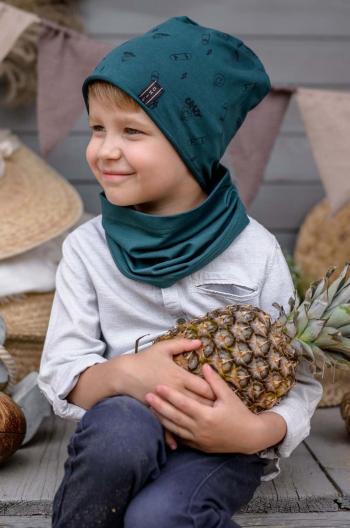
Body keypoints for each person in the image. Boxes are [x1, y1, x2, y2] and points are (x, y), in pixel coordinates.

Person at [38, 15, 323, 528]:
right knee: (119, 436)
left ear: (193, 143)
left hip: (223, 444)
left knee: (160, 516)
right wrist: (126, 373)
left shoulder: (254, 250)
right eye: (97, 128)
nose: (106, 149)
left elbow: (300, 379)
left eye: (132, 131)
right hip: (121, 423)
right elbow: (62, 369)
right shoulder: (87, 248)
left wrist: (254, 433)